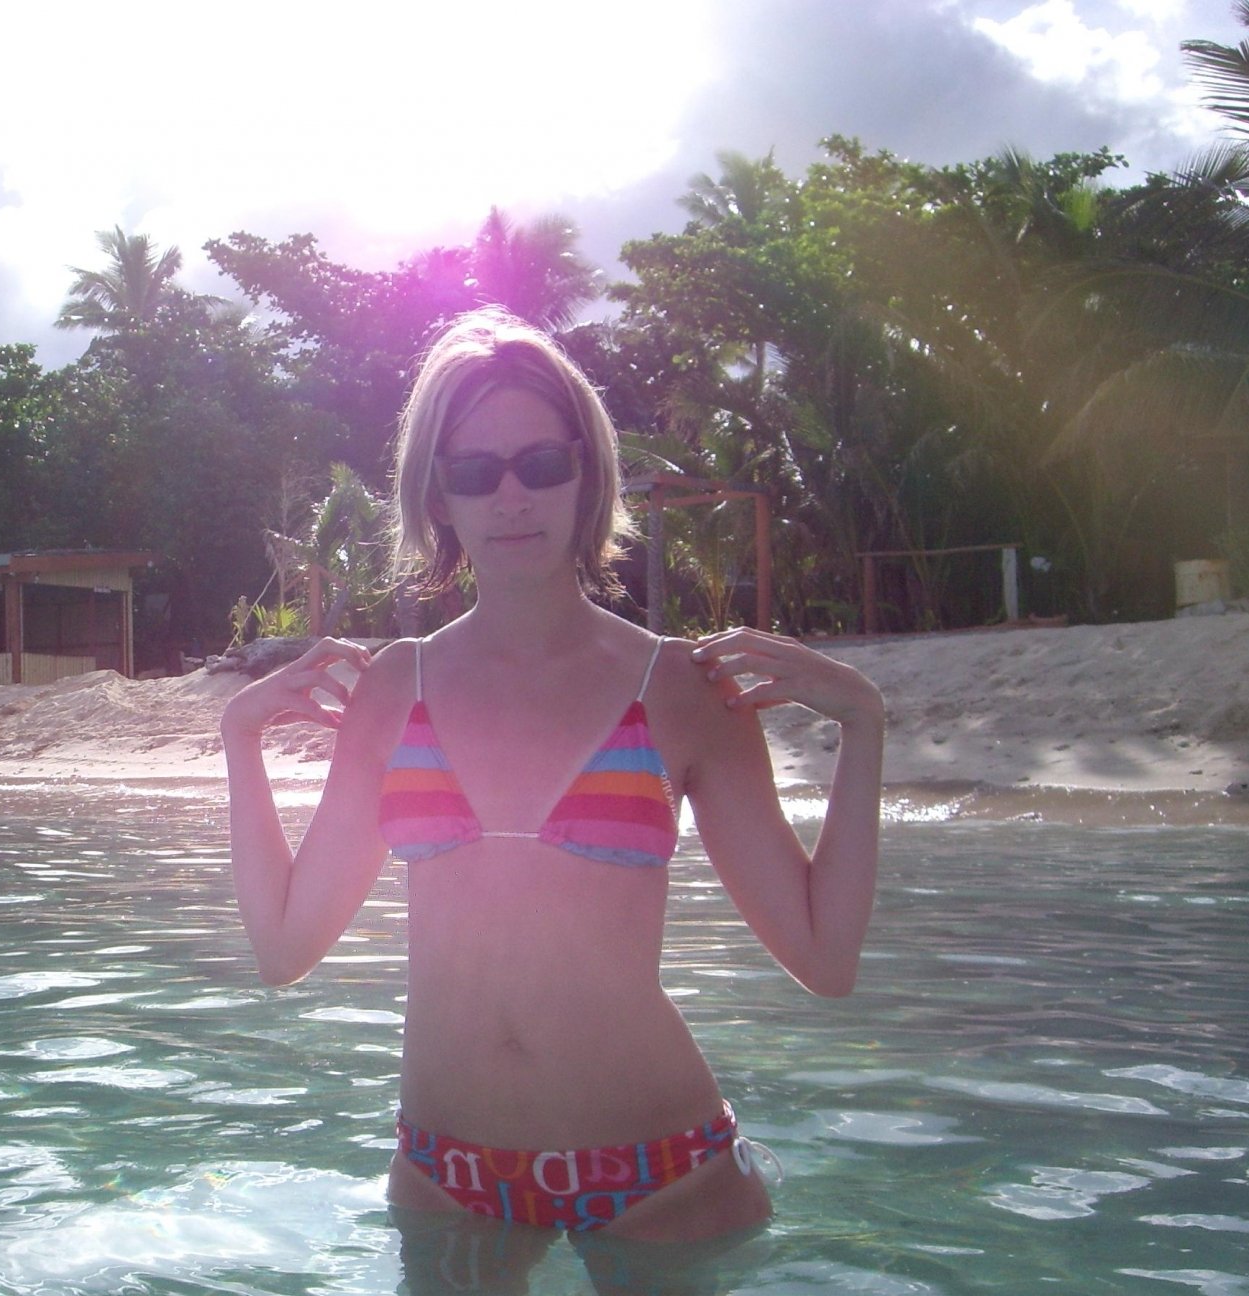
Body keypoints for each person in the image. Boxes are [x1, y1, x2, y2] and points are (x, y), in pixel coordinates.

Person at [222, 308, 884, 1246]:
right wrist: (240, 737)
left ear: (587, 475)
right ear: (437, 495)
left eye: (541, 464)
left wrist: (863, 725)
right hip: (443, 1169)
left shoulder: (679, 689)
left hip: (661, 1171)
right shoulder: (394, 689)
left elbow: (824, 961)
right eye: (474, 472)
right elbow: (285, 951)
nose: (512, 498)